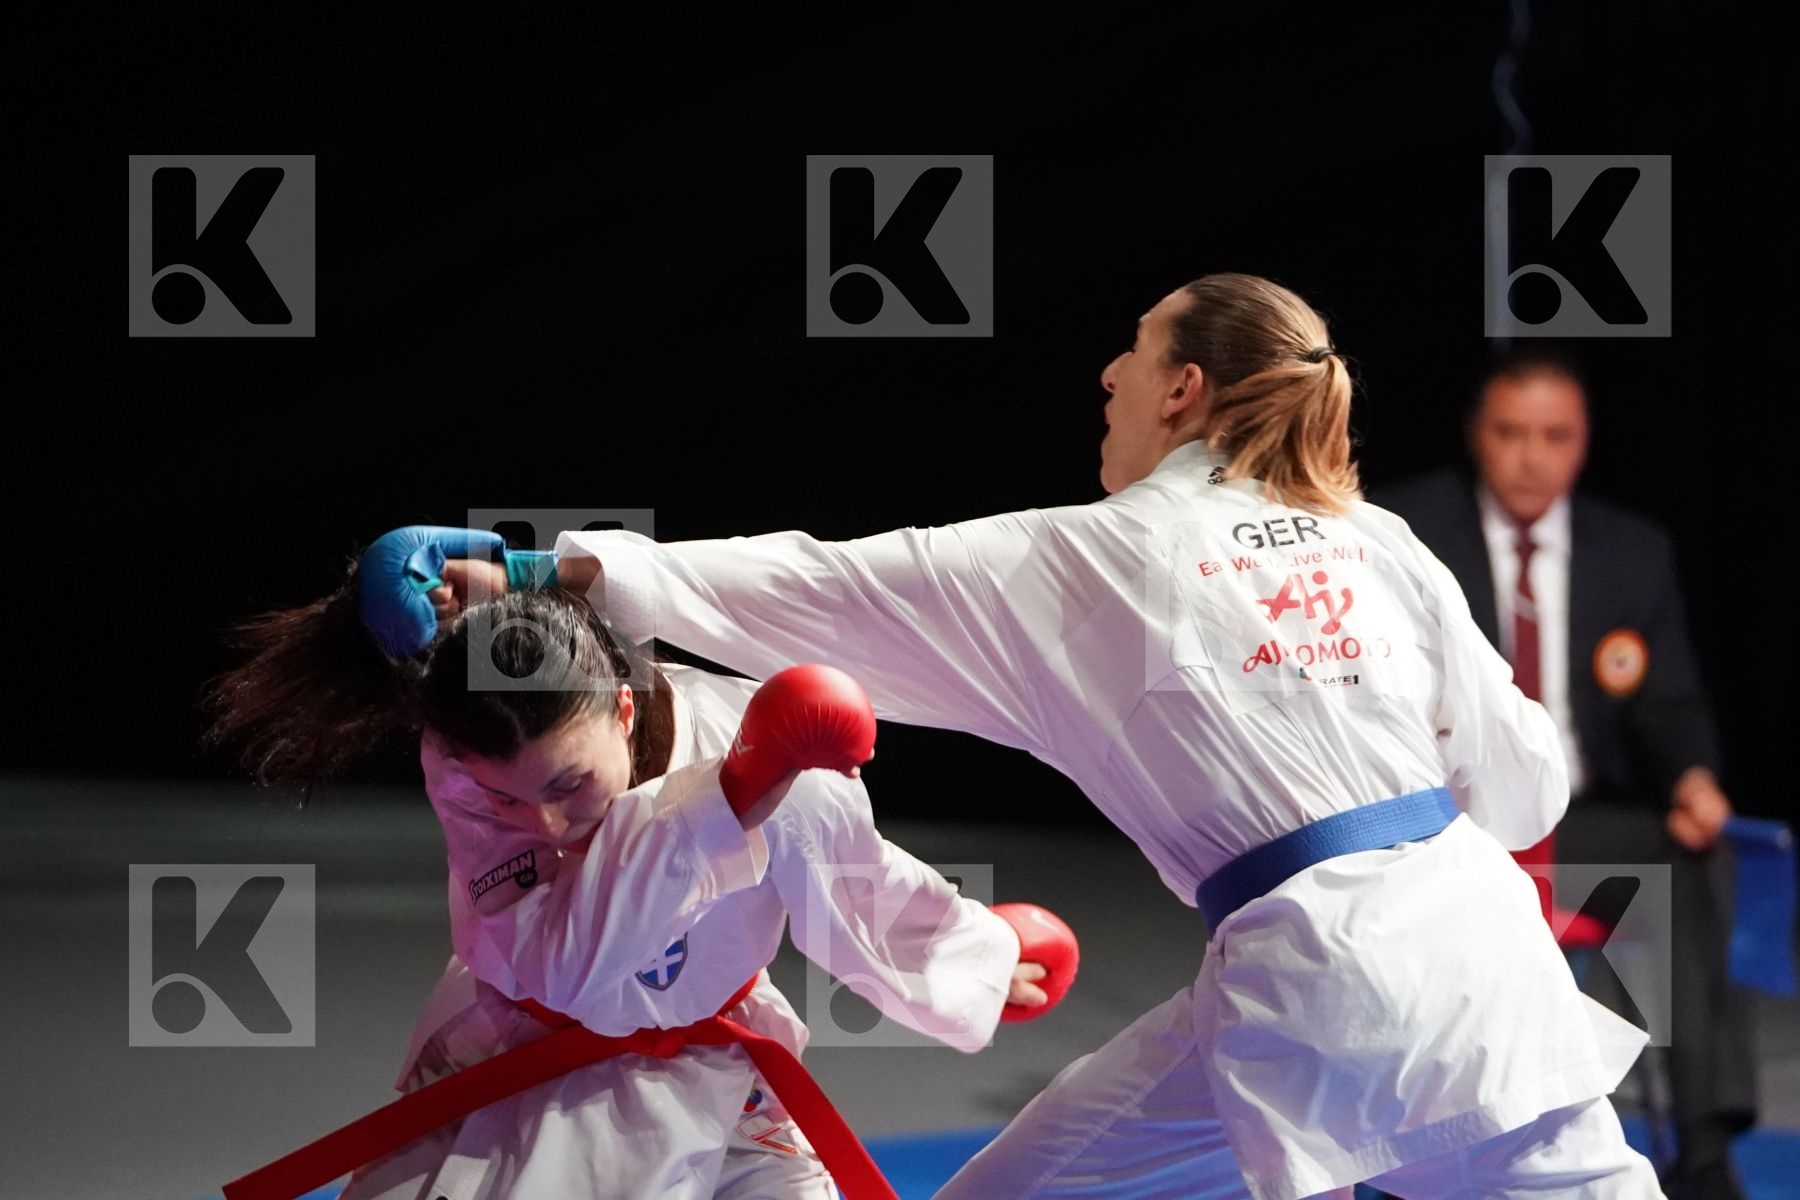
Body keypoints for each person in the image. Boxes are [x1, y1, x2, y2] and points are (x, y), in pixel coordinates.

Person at [420, 273, 1667, 1198]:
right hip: (1459, 958)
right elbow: (1526, 793)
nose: (1107, 376)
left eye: (1132, 352)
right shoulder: (1378, 539)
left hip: (1327, 980)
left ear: (1185, 388)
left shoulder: (1091, 557)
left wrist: (547, 567)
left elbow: (818, 585)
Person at [200, 534, 1078, 1200]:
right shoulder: (467, 762)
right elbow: (565, 964)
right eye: (512, 800)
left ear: (624, 709)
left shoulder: (757, 749)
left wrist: (978, 953)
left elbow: (855, 879)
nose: (545, 821)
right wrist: (728, 795)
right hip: (531, 1062)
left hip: (722, 1066)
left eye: (570, 783)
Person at [1375, 343, 1756, 1200]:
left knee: (1686, 862)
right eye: (1511, 432)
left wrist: (1695, 777)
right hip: (1451, 825)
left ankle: (1697, 1147)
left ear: (1582, 442)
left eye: (1555, 435)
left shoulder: (1632, 552)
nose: (1532, 455)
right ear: (1477, 434)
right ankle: (1460, 1131)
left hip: (1578, 820)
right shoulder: (1404, 535)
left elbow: (1669, 704)